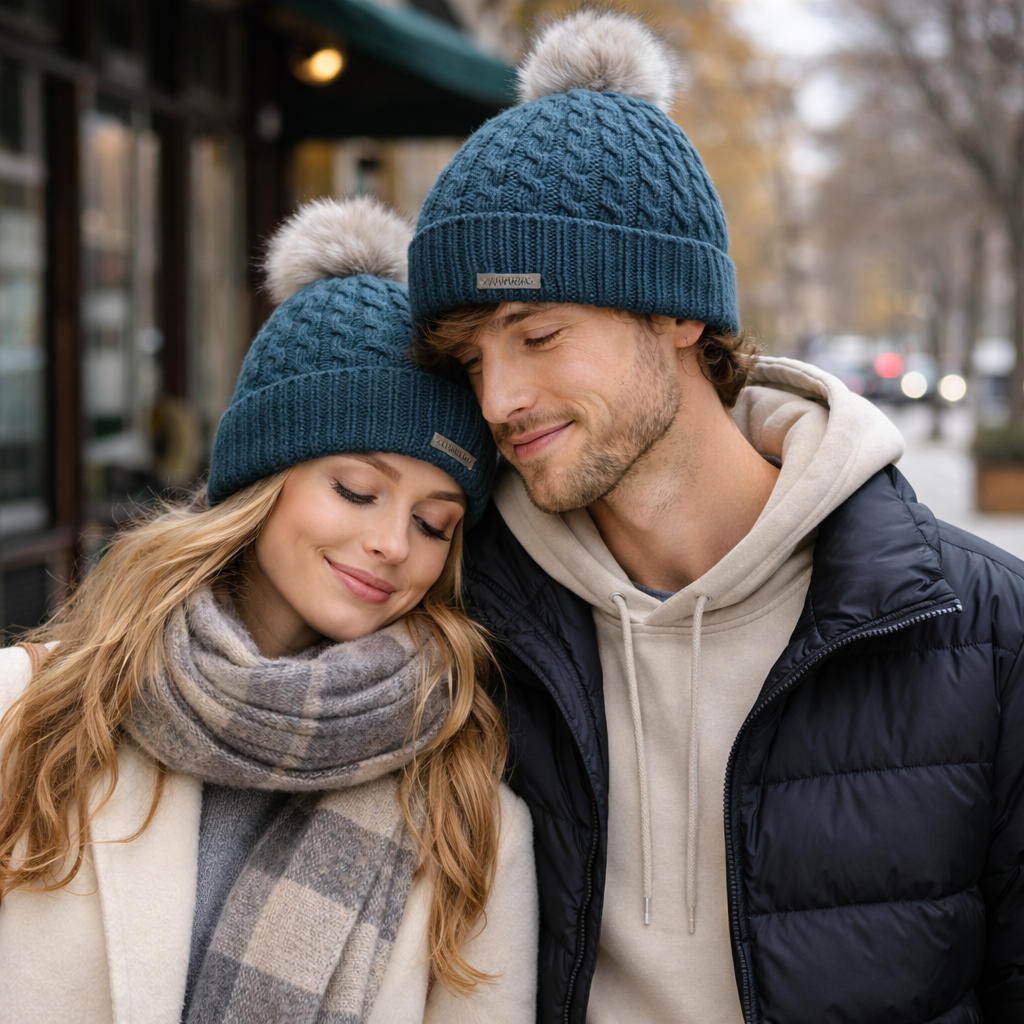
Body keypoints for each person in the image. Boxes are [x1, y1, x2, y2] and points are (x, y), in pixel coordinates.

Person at [408, 11, 1024, 1024]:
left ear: (676, 312)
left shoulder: (979, 630)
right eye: (472, 359)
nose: (496, 399)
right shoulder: (464, 621)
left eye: (538, 333)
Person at [0, 196, 537, 1024]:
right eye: (358, 490)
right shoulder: (29, 715)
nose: (394, 543)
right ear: (263, 478)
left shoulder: (467, 815)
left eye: (435, 523)